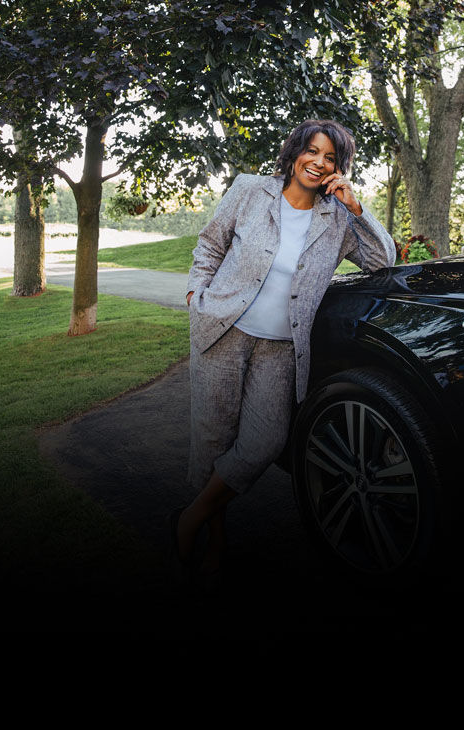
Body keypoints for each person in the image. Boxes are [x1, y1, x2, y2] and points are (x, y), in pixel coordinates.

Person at [170, 119, 396, 589]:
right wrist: (196, 294)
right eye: (312, 151)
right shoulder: (251, 190)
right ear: (295, 152)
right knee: (214, 442)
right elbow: (210, 243)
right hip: (222, 332)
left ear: (339, 166)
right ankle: (216, 541)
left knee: (266, 441)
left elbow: (383, 260)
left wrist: (358, 207)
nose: (318, 162)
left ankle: (190, 516)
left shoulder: (338, 219)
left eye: (330, 157)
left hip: (281, 349)